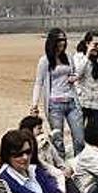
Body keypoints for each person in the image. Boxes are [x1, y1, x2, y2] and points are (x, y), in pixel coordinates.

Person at [30, 28, 84, 158]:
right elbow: (39, 83)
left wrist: (74, 78)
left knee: (79, 138)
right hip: (54, 104)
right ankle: (62, 166)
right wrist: (34, 104)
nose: (62, 43)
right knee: (57, 139)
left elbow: (75, 74)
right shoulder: (45, 61)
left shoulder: (69, 57)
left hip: (72, 102)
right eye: (59, 40)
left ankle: (79, 164)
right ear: (52, 41)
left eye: (64, 40)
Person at [74, 31, 98, 127]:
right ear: (87, 43)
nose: (97, 47)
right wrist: (87, 55)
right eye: (95, 44)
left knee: (94, 133)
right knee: (78, 132)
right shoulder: (79, 57)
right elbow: (77, 74)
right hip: (81, 101)